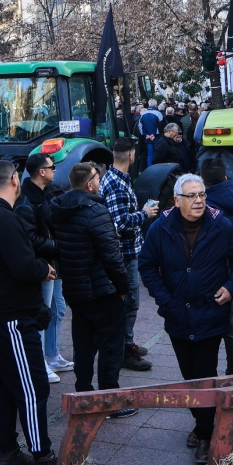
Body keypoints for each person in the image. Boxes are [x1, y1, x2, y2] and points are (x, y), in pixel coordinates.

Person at [139, 174, 233, 465]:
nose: (199, 200)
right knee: (189, 377)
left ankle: (205, 435)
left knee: (205, 375)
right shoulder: (160, 228)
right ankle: (202, 424)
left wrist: (231, 287)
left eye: (202, 194)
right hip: (177, 316)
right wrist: (166, 300)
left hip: (210, 314)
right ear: (177, 200)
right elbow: (146, 266)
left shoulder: (220, 225)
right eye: (192, 195)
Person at [0, 161, 60, 465]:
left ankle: (9, 456)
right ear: (12, 180)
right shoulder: (3, 218)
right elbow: (22, 266)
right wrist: (42, 268)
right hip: (9, 319)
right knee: (33, 387)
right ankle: (43, 461)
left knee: (3, 388)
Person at [48, 163, 137, 418]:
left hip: (76, 290)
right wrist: (123, 288)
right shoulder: (96, 210)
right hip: (102, 291)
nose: (100, 181)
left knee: (83, 346)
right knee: (111, 347)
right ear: (90, 183)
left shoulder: (59, 208)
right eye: (97, 177)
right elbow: (111, 256)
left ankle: (83, 395)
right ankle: (109, 401)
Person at [100, 138, 159, 371]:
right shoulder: (116, 183)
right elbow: (121, 222)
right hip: (124, 253)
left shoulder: (118, 178)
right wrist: (145, 214)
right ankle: (124, 348)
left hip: (128, 251)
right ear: (132, 156)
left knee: (129, 301)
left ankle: (127, 342)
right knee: (129, 302)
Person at [17, 153, 72, 384]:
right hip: (44, 264)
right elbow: (29, 239)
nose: (55, 170)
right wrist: (58, 246)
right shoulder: (27, 202)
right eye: (52, 167)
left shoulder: (45, 194)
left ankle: (52, 355)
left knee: (57, 310)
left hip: (53, 261)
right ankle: (38, 362)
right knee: (42, 313)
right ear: (41, 172)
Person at [200, 159, 233, 376]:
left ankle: (207, 375)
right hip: (231, 270)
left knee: (208, 327)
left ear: (203, 181)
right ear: (225, 177)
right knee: (230, 326)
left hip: (213, 270)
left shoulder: (208, 207)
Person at [139, 100, 163, 167]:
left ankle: (150, 169)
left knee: (150, 155)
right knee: (157, 154)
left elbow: (140, 126)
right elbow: (160, 126)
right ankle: (157, 169)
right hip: (156, 138)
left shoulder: (143, 114)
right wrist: (154, 134)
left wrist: (145, 135)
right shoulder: (158, 113)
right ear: (155, 105)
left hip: (148, 138)